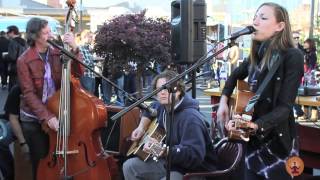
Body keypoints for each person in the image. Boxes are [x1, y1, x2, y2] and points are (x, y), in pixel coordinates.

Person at [217, 2, 304, 180]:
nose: (255, 21)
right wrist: (223, 102)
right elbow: (234, 76)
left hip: (278, 143)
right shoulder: (257, 55)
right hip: (253, 141)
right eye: (255, 17)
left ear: (280, 26)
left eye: (263, 17)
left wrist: (257, 125)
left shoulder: (293, 56)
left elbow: (285, 107)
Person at [16, 17, 83, 179]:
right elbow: (29, 93)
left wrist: (74, 48)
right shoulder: (23, 60)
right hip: (34, 119)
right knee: (41, 163)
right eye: (46, 33)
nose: (51, 35)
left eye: (50, 31)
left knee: (60, 159)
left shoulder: (57, 53)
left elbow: (79, 73)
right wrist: (47, 117)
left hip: (57, 111)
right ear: (35, 37)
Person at [123, 70, 217, 180]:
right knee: (129, 167)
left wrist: (163, 151)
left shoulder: (191, 119)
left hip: (193, 170)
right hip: (171, 162)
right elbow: (150, 109)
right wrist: (141, 127)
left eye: (166, 88)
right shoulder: (162, 106)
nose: (162, 92)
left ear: (178, 91)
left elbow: (194, 156)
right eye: (159, 89)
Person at [0, 85, 29, 180]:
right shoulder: (17, 89)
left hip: (38, 124)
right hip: (16, 121)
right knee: (1, 138)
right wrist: (23, 142)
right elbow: (12, 118)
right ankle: (10, 174)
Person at [7, 25, 27, 91]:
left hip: (14, 67)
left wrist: (5, 56)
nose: (7, 34)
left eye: (8, 32)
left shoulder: (12, 42)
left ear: (12, 32)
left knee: (13, 88)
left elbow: (12, 57)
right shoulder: (24, 42)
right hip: (24, 67)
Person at [78, 30, 96, 94]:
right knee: (87, 96)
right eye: (90, 37)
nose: (92, 39)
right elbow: (83, 64)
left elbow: (90, 61)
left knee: (91, 96)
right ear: (85, 37)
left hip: (92, 75)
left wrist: (93, 61)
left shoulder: (89, 48)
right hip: (85, 76)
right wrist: (93, 61)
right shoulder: (79, 48)